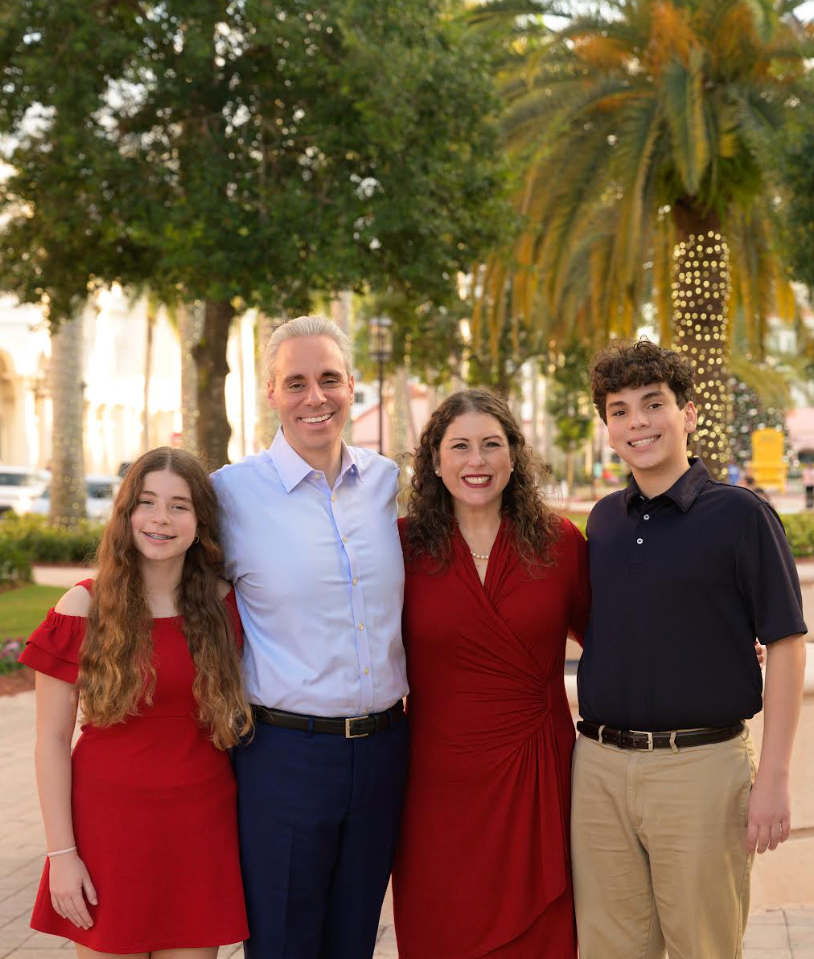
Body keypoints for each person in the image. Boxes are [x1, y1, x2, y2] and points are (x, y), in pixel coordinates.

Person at [572, 340, 808, 959]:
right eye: (619, 411)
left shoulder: (741, 515)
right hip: (597, 770)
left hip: (700, 770)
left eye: (653, 404)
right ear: (607, 427)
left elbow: (786, 643)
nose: (637, 422)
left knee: (705, 948)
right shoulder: (603, 521)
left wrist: (776, 781)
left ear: (690, 413)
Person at [211, 315, 408, 959]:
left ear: (353, 385)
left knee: (354, 940)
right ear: (271, 393)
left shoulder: (388, 485)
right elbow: (172, 593)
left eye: (328, 379)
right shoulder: (230, 495)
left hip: (383, 752)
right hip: (282, 756)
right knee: (284, 944)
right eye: (295, 383)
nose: (314, 397)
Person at [19, 447, 252, 957]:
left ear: (200, 522)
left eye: (179, 505)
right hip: (108, 830)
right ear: (125, 514)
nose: (161, 519)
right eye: (146, 502)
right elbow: (52, 740)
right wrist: (62, 854)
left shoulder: (225, 605)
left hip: (200, 826)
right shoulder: (82, 606)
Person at [392, 389, 589, 959]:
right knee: (443, 930)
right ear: (434, 460)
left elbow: (613, 638)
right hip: (437, 783)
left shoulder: (560, 544)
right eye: (459, 446)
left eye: (490, 445)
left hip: (539, 773)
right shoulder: (400, 547)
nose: (475, 461)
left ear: (513, 456)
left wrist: (712, 647)